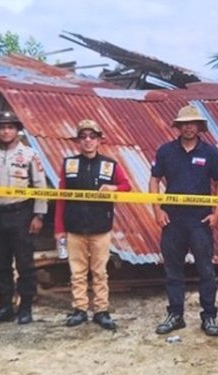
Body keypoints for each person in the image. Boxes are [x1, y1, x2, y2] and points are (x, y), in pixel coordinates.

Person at [149, 104, 218, 337]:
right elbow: (154, 180)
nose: (188, 127)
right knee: (173, 271)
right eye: (184, 124)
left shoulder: (210, 152)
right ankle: (175, 315)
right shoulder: (165, 151)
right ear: (179, 126)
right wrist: (157, 211)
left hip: (200, 220)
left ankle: (209, 316)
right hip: (172, 220)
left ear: (199, 126)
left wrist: (217, 213)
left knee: (206, 270)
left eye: (193, 123)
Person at [54, 119, 131, 331]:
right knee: (77, 272)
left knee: (100, 272)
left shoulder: (109, 164)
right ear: (78, 141)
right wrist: (59, 229)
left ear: (99, 140)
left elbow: (127, 186)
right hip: (74, 228)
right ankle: (79, 309)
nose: (88, 141)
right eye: (83, 137)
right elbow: (61, 198)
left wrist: (113, 188)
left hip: (100, 228)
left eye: (92, 137)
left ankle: (101, 311)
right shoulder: (69, 164)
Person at [0, 111, 47, 325]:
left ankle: (25, 307)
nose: (6, 131)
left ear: (17, 130)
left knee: (25, 263)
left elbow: (40, 187)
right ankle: (5, 306)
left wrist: (39, 215)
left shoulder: (29, 155)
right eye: (2, 127)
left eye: (10, 127)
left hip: (21, 214)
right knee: (0, 263)